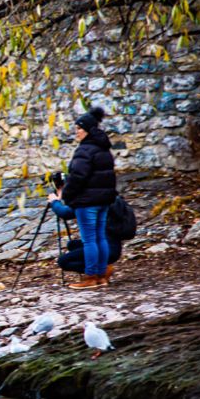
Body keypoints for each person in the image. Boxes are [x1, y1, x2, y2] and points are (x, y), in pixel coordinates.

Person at [60, 106, 117, 290]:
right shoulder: (104, 149)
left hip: (87, 202)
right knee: (100, 238)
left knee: (89, 240)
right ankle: (101, 275)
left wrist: (66, 195)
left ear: (88, 130)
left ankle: (91, 276)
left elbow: (78, 177)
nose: (76, 132)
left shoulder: (85, 150)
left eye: (79, 128)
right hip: (103, 201)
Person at [47, 191, 123, 280]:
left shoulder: (88, 200)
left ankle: (99, 271)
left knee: (63, 262)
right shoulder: (109, 197)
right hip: (114, 247)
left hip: (104, 248)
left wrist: (54, 202)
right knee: (72, 245)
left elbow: (64, 212)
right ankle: (102, 267)